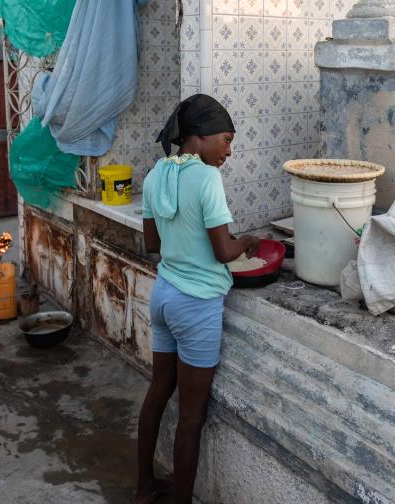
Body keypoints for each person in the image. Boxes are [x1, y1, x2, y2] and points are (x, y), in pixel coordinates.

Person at [135, 94, 260, 504]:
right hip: (196, 305)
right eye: (225, 139)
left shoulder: (155, 175)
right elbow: (225, 251)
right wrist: (252, 240)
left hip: (164, 295)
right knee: (191, 416)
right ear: (200, 137)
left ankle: (144, 488)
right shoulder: (206, 178)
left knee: (157, 393)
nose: (228, 150)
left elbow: (152, 243)